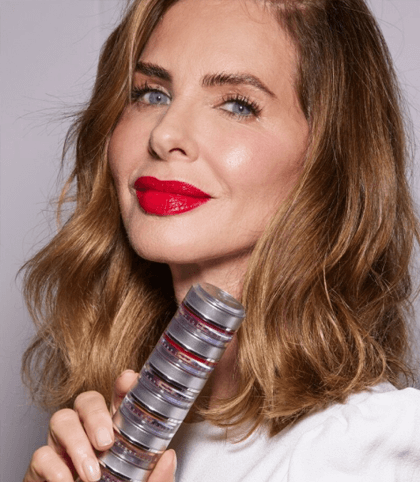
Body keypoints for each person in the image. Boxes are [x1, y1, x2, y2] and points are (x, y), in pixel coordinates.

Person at [22, 0, 420, 481]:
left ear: (330, 158)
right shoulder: (124, 431)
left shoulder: (369, 447)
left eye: (237, 105)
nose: (165, 134)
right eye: (151, 94)